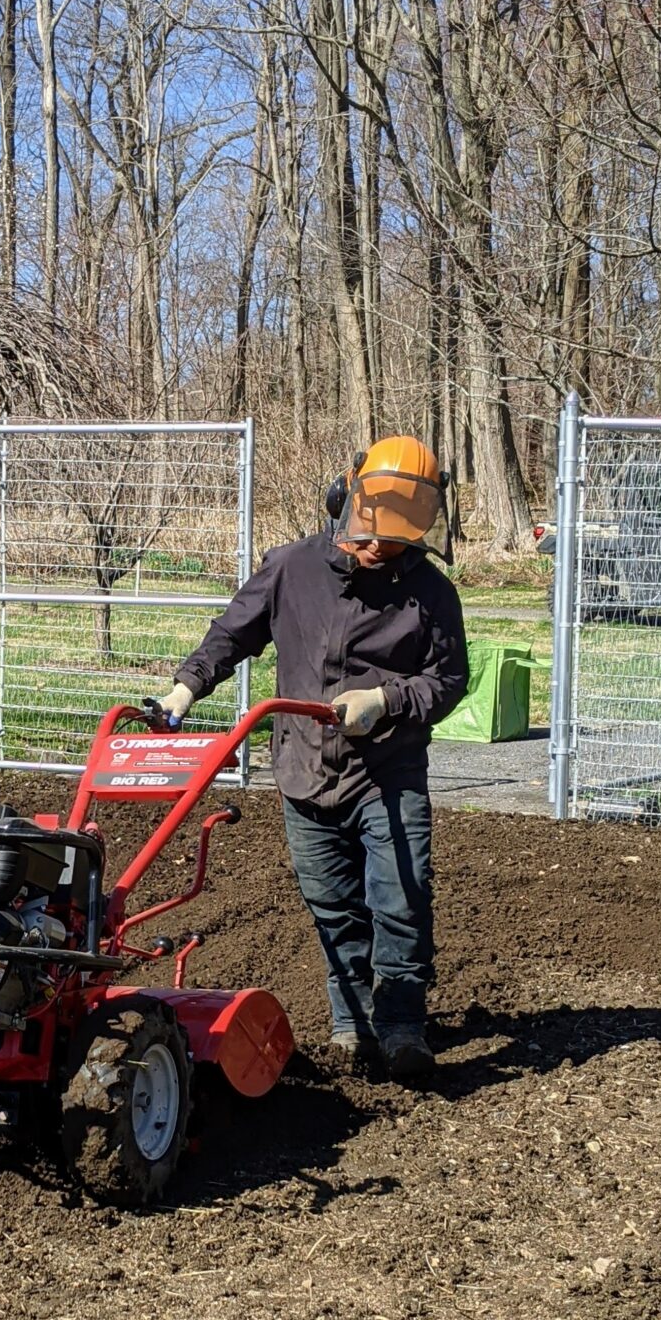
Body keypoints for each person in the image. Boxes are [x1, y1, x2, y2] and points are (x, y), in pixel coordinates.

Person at [157, 435, 468, 1082]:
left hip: (388, 772)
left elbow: (447, 681)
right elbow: (232, 633)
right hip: (303, 768)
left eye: (396, 540)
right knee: (334, 908)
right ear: (344, 498)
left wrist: (385, 700)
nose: (378, 549)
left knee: (401, 899)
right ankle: (353, 1024)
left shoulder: (431, 595)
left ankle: (404, 1026)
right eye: (370, 534)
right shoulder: (291, 568)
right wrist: (185, 688)